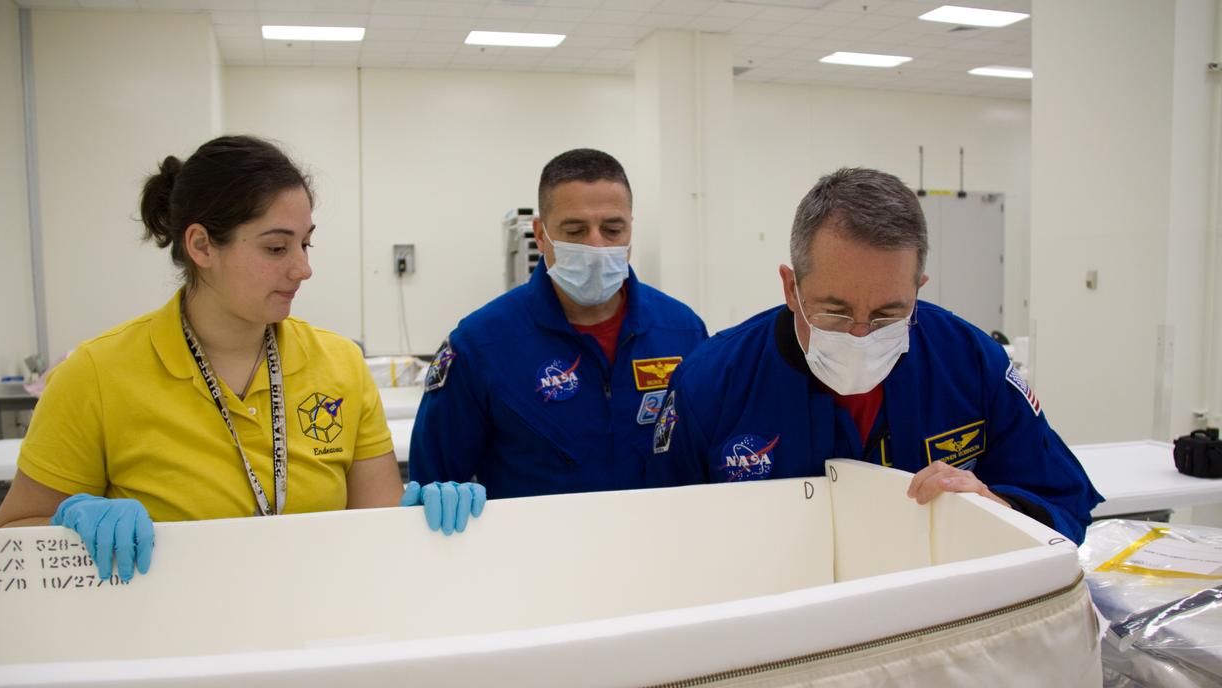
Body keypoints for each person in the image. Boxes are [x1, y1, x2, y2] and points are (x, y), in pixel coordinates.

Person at [0, 135, 483, 581]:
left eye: (306, 243)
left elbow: (376, 525)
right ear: (201, 245)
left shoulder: (339, 365)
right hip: (169, 638)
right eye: (277, 247)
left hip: (321, 626)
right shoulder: (98, 374)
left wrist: (420, 518)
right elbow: (12, 538)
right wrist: (66, 523)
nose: (303, 268)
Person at [647, 167, 1101, 544]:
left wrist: (997, 511)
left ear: (917, 291)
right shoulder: (711, 383)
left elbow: (1065, 502)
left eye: (888, 314)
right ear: (790, 287)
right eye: (835, 312)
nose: (860, 335)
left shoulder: (970, 362)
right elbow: (660, 534)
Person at [409, 148, 708, 498]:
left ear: (630, 228)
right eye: (576, 230)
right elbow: (433, 479)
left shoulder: (682, 332)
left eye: (613, 229)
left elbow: (707, 455)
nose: (596, 245)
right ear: (541, 234)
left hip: (657, 530)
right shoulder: (481, 345)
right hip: (536, 534)